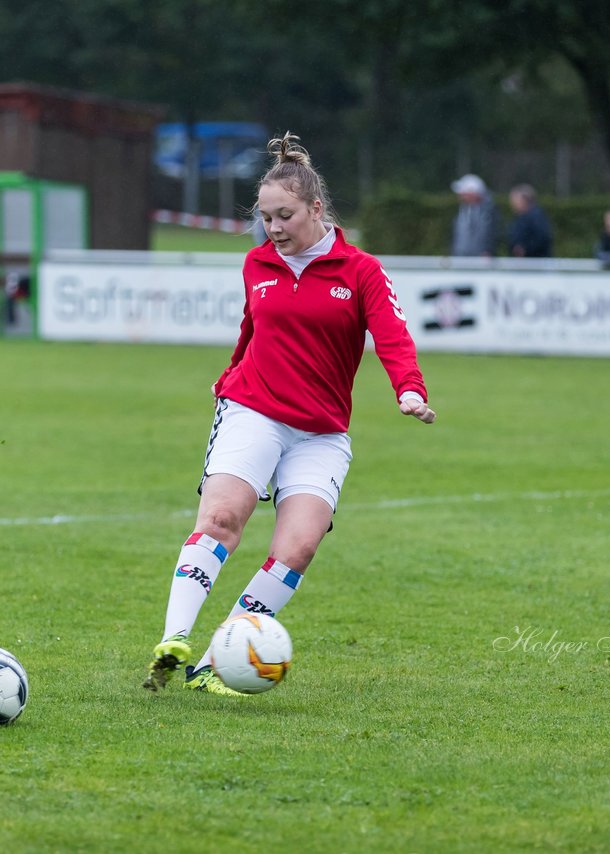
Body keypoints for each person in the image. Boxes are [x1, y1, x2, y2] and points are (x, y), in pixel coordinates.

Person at [143, 132, 437, 696]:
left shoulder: (361, 271)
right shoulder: (257, 263)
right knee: (222, 518)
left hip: (321, 432)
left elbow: (394, 335)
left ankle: (213, 661)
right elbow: (252, 328)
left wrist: (409, 390)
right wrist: (229, 374)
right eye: (265, 218)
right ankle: (173, 640)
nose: (273, 228)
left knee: (297, 547)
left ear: (316, 210)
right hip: (253, 409)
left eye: (284, 216)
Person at [449, 173, 497, 257]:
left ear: (473, 193)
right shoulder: (463, 210)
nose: (461, 196)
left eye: (464, 193)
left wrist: (487, 249)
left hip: (479, 258)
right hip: (460, 256)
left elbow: (492, 233)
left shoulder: (488, 211)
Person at [506, 184, 553, 258]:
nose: (512, 204)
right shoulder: (519, 217)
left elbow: (542, 238)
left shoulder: (537, 217)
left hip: (536, 263)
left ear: (524, 200)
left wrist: (525, 249)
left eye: (515, 200)